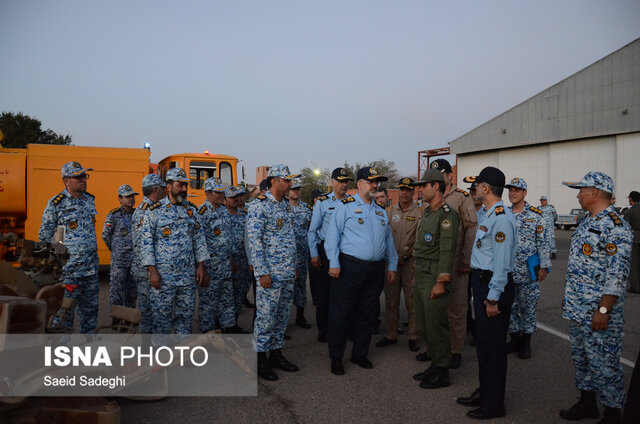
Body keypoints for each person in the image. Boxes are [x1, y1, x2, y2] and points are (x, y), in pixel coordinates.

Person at [559, 172, 632, 423]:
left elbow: (617, 274)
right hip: (579, 309)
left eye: (581, 190)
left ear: (594, 192)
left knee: (604, 364)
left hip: (598, 312)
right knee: (582, 359)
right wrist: (569, 299)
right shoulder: (587, 221)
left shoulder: (615, 226)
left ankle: (613, 413)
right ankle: (587, 403)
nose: (578, 194)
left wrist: (603, 311)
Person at [324, 167, 398, 375]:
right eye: (371, 182)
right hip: (349, 268)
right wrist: (333, 262)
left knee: (367, 314)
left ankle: (360, 354)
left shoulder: (380, 210)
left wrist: (392, 265)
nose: (375, 185)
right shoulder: (345, 207)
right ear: (359, 184)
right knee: (342, 314)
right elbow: (332, 237)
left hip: (374, 271)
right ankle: (336, 357)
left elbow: (388, 242)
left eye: (377, 182)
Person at [456, 166, 516, 420]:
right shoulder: (489, 213)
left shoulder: (501, 217)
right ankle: (486, 391)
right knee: (484, 345)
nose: (474, 190)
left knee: (493, 348)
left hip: (493, 286)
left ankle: (494, 405)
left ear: (485, 188)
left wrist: (492, 298)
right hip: (483, 283)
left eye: (477, 185)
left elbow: (502, 264)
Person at [140, 167, 210, 334]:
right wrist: (152, 271)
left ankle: (181, 356)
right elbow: (146, 242)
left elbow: (199, 239)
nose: (185, 189)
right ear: (169, 187)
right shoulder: (154, 212)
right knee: (161, 320)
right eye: (180, 185)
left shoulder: (191, 211)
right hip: (164, 277)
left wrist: (201, 266)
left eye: (186, 185)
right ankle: (161, 357)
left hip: (187, 277)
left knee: (184, 319)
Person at [247, 164, 300, 381]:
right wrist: (262, 272)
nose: (291, 184)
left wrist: (294, 265)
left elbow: (288, 238)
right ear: (274, 181)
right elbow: (255, 242)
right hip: (270, 274)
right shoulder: (259, 206)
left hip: (286, 273)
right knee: (266, 319)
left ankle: (276, 354)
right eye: (287, 180)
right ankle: (259, 359)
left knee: (281, 317)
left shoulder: (284, 206)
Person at [424, 159, 477, 370]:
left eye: (441, 174)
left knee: (456, 308)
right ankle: (437, 349)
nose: (437, 178)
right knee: (435, 309)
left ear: (449, 176)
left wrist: (466, 258)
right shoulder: (429, 196)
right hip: (433, 263)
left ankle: (455, 350)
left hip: (455, 263)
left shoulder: (461, 198)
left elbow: (471, 227)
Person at [410, 170, 459, 389]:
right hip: (421, 272)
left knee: (436, 324)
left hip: (434, 274)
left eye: (424, 186)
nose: (420, 189)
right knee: (423, 322)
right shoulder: (429, 212)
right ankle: (434, 362)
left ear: (436, 187)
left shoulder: (447, 215)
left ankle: (442, 371)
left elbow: (447, 250)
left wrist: (441, 281)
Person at [40, 161, 99, 333]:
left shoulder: (89, 200)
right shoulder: (56, 204)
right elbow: (47, 236)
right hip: (69, 273)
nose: (83, 180)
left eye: (84, 176)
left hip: (90, 271)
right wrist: (58, 263)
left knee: (90, 315)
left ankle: (89, 351)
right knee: (64, 315)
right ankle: (63, 354)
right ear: (66, 181)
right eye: (78, 177)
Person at [504, 177, 551, 359]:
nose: (512, 193)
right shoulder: (505, 214)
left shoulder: (536, 215)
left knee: (528, 306)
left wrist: (544, 267)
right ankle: (514, 338)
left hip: (528, 270)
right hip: (507, 271)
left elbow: (543, 242)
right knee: (510, 306)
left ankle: (526, 341)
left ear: (525, 193)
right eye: (510, 190)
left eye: (516, 190)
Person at [307, 167, 353, 342]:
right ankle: (323, 330)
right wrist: (314, 255)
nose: (343, 184)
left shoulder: (351, 202)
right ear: (332, 182)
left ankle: (345, 327)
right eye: (340, 181)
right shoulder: (323, 202)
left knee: (345, 293)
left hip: (346, 252)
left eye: (346, 181)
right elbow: (312, 231)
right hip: (325, 252)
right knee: (325, 293)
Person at [376, 177, 422, 351]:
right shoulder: (388, 211)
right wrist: (393, 258)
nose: (404, 192)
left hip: (410, 263)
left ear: (413, 192)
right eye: (402, 189)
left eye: (408, 189)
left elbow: (420, 239)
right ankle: (390, 335)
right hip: (392, 264)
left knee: (412, 301)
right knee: (391, 300)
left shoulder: (419, 212)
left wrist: (408, 255)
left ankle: (413, 336)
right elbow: (385, 236)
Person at [198, 178, 244, 333]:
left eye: (221, 191)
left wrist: (232, 259)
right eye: (217, 192)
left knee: (227, 300)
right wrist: (201, 268)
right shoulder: (202, 213)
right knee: (209, 304)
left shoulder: (223, 210)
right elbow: (199, 243)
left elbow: (227, 238)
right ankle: (208, 334)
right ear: (207, 193)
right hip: (211, 268)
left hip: (225, 264)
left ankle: (229, 328)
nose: (221, 195)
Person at [131, 173, 166, 333]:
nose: (165, 192)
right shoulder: (146, 212)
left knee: (152, 311)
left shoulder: (148, 209)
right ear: (155, 189)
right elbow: (141, 245)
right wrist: (151, 270)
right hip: (145, 271)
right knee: (149, 313)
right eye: (163, 189)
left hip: (145, 269)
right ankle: (148, 348)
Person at [102, 185, 138, 321]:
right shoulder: (114, 215)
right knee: (116, 292)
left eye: (132, 196)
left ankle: (128, 319)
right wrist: (116, 249)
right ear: (120, 199)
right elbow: (105, 235)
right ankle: (116, 320)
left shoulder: (137, 214)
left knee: (132, 293)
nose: (131, 199)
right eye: (127, 196)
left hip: (134, 261)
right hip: (119, 261)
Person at [288, 178, 313, 328]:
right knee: (285, 289)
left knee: (301, 287)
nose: (296, 191)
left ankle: (300, 316)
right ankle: (282, 322)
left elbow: (312, 228)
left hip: (302, 255)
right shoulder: (282, 208)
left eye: (298, 188)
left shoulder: (307, 209)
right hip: (285, 257)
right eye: (293, 188)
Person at [226, 185, 254, 315]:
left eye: (238, 196)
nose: (236, 199)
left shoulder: (245, 215)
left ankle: (234, 323)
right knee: (225, 295)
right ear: (225, 199)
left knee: (239, 292)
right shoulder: (221, 215)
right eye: (232, 197)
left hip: (242, 260)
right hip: (225, 262)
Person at [308, 188, 324, 305]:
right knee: (314, 274)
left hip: (321, 245)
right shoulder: (309, 211)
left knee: (321, 274)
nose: (321, 199)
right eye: (319, 197)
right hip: (312, 245)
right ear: (314, 199)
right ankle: (315, 297)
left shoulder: (324, 210)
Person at [624, 191, 640, 293]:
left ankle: (635, 287)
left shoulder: (629, 212)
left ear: (631, 199)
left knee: (634, 264)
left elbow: (626, 228)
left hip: (635, 238)